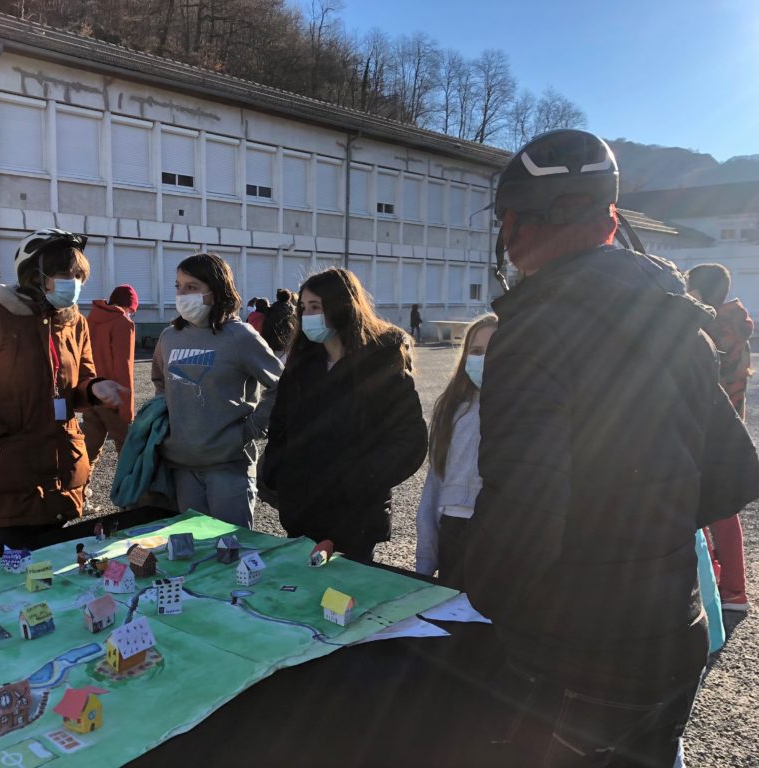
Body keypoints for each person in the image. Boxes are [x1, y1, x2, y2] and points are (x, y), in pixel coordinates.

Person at [463, 130, 759, 767]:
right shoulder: (674, 314)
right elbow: (735, 474)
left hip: (576, 651)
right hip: (676, 632)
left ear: (512, 226)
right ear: (613, 220)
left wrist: (476, 597)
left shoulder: (533, 330)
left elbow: (523, 515)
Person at [0, 229, 127, 551]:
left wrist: (96, 390)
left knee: (63, 570)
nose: (74, 283)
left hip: (64, 466)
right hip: (11, 471)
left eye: (78, 275)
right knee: (18, 576)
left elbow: (81, 382)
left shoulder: (75, 323)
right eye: (64, 275)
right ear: (34, 275)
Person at [261, 268, 427, 563]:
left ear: (342, 305)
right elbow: (280, 424)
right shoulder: (301, 363)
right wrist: (277, 471)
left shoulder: (382, 362)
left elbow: (410, 437)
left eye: (316, 307)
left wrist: (361, 479)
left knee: (344, 598)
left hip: (356, 515)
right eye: (303, 307)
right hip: (303, 510)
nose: (307, 315)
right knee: (300, 592)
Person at [151, 253, 282, 528]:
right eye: (178, 286)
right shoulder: (169, 337)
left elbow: (281, 385)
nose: (182, 294)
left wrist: (250, 430)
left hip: (228, 468)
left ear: (216, 290)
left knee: (230, 554)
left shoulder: (240, 336)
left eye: (192, 287)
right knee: (191, 552)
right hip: (182, 466)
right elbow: (161, 385)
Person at [686, 263, 753, 612]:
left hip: (707, 427)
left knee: (715, 509)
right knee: (722, 508)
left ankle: (729, 591)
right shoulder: (733, 326)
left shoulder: (710, 329)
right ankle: (730, 589)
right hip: (726, 425)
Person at [415, 313, 496, 587]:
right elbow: (434, 486)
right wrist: (424, 565)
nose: (483, 359)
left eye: (493, 350)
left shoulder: (526, 412)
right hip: (456, 532)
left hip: (501, 536)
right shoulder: (453, 409)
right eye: (476, 351)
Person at [84, 284, 138, 500]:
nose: (132, 314)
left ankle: (77, 494)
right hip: (114, 397)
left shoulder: (91, 319)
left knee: (89, 449)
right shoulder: (123, 323)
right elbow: (124, 367)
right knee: (128, 450)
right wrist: (128, 409)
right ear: (129, 307)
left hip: (91, 393)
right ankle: (131, 496)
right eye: (132, 310)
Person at [261, 288, 298, 359]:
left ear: (277, 297)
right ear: (289, 298)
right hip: (291, 346)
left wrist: (265, 344)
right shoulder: (293, 312)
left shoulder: (271, 311)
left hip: (275, 345)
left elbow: (267, 329)